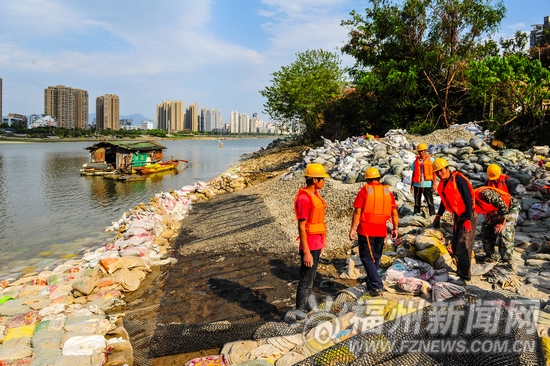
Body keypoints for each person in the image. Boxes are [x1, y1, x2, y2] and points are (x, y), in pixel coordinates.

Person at [349, 167, 399, 297]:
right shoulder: (387, 191)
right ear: (379, 178)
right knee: (375, 258)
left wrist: (353, 229)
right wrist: (395, 228)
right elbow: (394, 212)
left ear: (367, 179)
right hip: (381, 230)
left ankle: (377, 285)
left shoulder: (365, 190)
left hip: (366, 230)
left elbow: (357, 212)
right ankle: (370, 282)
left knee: (366, 257)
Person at [432, 158, 477, 282]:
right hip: (458, 216)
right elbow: (443, 201)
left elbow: (468, 199)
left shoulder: (458, 180)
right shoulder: (443, 184)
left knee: (464, 244)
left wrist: (468, 219)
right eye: (437, 172)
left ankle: (465, 275)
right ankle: (460, 269)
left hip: (468, 215)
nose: (439, 174)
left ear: (447, 169)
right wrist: (438, 215)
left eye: (441, 170)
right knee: (456, 245)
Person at [294, 163, 329, 317]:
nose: (324, 182)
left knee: (311, 278)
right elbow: (301, 226)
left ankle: (307, 308)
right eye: (322, 179)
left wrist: (321, 243)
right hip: (309, 245)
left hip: (316, 243)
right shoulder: (304, 198)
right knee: (305, 280)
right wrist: (306, 252)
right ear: (315, 180)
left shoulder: (315, 195)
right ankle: (300, 312)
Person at [474, 186, 520, 263]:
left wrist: (501, 223)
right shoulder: (469, 200)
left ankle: (506, 259)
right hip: (495, 211)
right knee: (486, 229)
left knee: (505, 231)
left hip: (510, 207)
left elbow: (504, 208)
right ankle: (491, 256)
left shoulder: (485, 194)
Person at [410, 143, 436, 216]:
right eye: (419, 151)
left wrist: (434, 184)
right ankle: (416, 216)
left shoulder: (431, 160)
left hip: (427, 185)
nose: (421, 153)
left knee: (430, 202)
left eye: (422, 151)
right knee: (417, 203)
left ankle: (433, 217)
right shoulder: (415, 161)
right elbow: (414, 173)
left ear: (425, 151)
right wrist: (412, 184)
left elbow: (434, 173)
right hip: (417, 185)